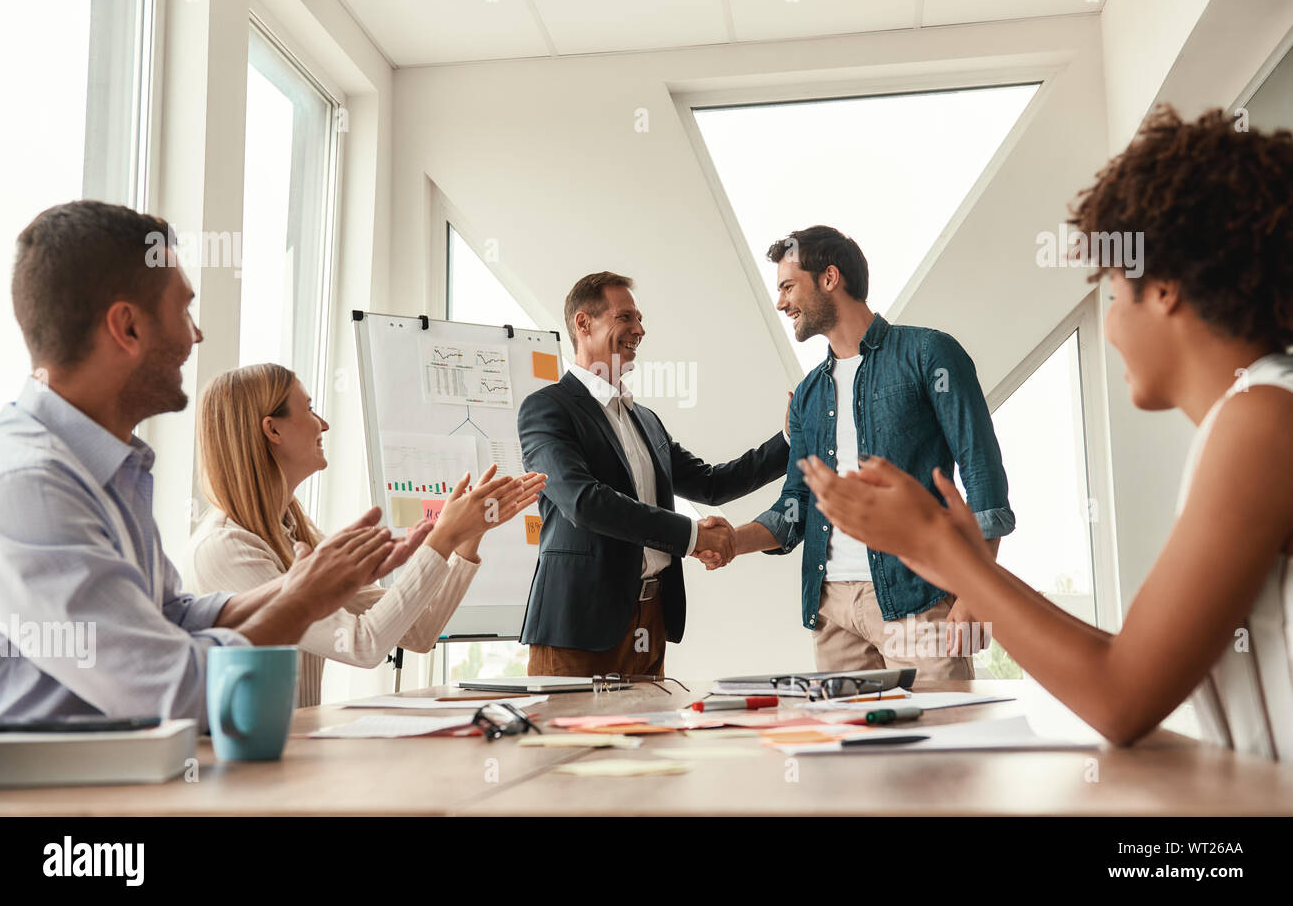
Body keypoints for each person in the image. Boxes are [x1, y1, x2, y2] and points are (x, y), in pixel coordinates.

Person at [797, 105, 1293, 758]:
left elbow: (1121, 697)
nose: (1110, 324)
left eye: (1112, 294)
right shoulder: (1257, 412)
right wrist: (963, 562)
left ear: (1165, 287)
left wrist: (946, 555)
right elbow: (1126, 661)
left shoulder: (1262, 421)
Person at [0, 200, 427, 729]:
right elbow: (173, 690)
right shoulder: (29, 484)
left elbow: (172, 618)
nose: (194, 337)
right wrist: (304, 598)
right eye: (183, 312)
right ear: (126, 328)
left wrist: (303, 584)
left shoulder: (108, 468)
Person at [699, 225, 1015, 680]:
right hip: (830, 612)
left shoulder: (929, 354)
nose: (781, 302)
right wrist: (732, 540)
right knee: (850, 750)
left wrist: (975, 595)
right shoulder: (809, 392)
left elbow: (983, 475)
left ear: (830, 278)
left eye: (788, 286)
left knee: (941, 746)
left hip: (918, 600)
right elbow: (797, 505)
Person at [184, 363, 544, 707]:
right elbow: (362, 644)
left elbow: (420, 632)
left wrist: (468, 537)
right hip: (250, 764)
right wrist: (443, 537)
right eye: (308, 409)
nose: (322, 424)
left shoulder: (296, 534)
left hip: (293, 749)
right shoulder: (227, 548)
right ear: (272, 430)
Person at [517, 271, 790, 677]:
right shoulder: (547, 409)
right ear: (583, 323)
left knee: (649, 739)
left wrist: (789, 438)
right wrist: (693, 536)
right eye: (625, 317)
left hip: (651, 619)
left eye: (639, 319)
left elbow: (711, 484)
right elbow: (584, 502)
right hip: (578, 624)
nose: (639, 329)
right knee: (569, 742)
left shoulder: (645, 419)